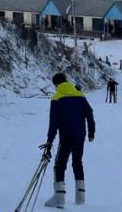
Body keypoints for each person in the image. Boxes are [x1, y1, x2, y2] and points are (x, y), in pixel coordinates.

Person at [43, 72, 95, 208]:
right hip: (80, 136)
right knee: (78, 162)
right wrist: (91, 132)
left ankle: (59, 197)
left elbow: (53, 123)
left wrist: (49, 141)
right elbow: (90, 113)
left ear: (56, 84)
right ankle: (80, 197)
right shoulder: (80, 95)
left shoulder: (56, 98)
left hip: (66, 136)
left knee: (60, 164)